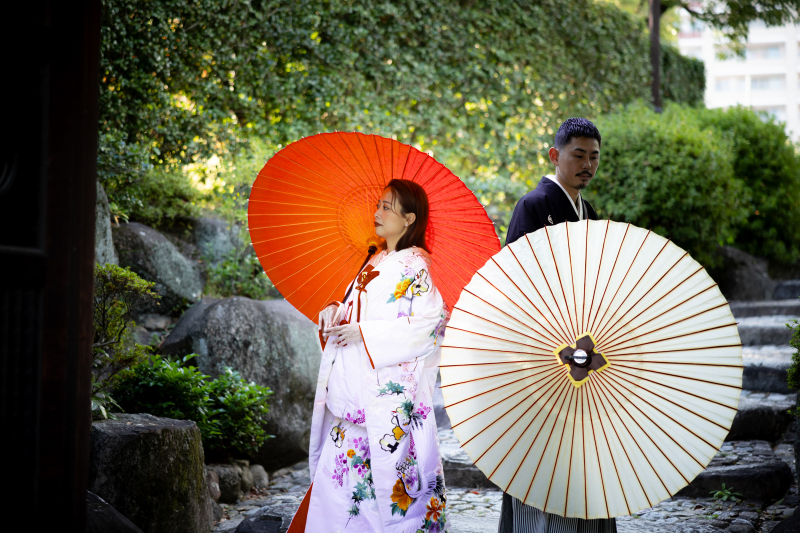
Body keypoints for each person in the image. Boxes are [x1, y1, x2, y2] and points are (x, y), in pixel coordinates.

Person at [298, 179, 450, 533]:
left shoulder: (417, 267)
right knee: (342, 492)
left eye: (386, 207)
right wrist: (335, 309)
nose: (377, 212)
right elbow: (357, 307)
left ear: (409, 218)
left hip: (384, 401)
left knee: (383, 494)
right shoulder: (376, 258)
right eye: (378, 204)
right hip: (353, 392)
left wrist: (365, 333)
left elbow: (429, 325)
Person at [499, 118, 616, 533]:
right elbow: (514, 282)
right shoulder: (533, 206)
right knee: (544, 453)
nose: (588, 165)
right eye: (579, 155)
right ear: (556, 155)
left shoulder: (591, 213)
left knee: (585, 454)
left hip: (585, 350)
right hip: (543, 353)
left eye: (594, 157)